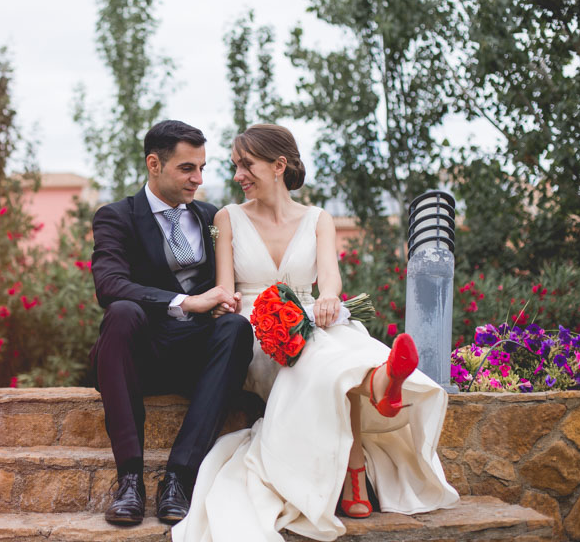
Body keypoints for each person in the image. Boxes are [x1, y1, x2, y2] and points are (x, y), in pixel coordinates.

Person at [173, 124, 459, 541]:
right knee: (326, 357)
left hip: (310, 316)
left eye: (246, 165)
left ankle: (381, 383)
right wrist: (223, 304)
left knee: (339, 344)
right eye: (235, 166)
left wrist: (327, 299)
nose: (238, 175)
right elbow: (225, 287)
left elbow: (330, 279)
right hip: (256, 327)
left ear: (279, 166)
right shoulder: (225, 219)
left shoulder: (318, 219)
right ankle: (370, 420)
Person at [90, 119, 254, 526]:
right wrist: (187, 302)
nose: (198, 179)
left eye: (201, 168)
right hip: (141, 356)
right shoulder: (116, 217)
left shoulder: (212, 217)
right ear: (154, 164)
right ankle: (129, 481)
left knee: (236, 329)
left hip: (197, 359)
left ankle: (179, 478)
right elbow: (109, 284)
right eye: (187, 168)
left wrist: (224, 302)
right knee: (122, 311)